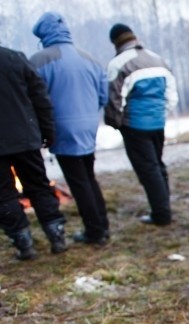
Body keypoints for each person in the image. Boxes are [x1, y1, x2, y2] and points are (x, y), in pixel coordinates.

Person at [30, 12, 110, 246]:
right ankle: (102, 225)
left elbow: (35, 99)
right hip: (88, 126)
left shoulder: (39, 61)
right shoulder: (90, 59)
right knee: (88, 177)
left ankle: (95, 232)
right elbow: (103, 95)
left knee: (79, 182)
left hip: (61, 128)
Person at [105, 23, 178, 226]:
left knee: (148, 170)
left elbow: (114, 100)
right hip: (157, 123)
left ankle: (161, 214)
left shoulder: (118, 64)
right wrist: (160, 115)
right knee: (157, 165)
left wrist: (116, 124)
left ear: (115, 42)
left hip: (135, 125)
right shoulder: (158, 59)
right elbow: (171, 95)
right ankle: (164, 208)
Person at [0, 44, 68, 259]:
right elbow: (40, 97)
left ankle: (24, 244)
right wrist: (47, 130)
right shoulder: (14, 58)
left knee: (4, 195)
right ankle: (56, 236)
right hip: (26, 137)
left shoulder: (15, 58)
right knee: (38, 186)